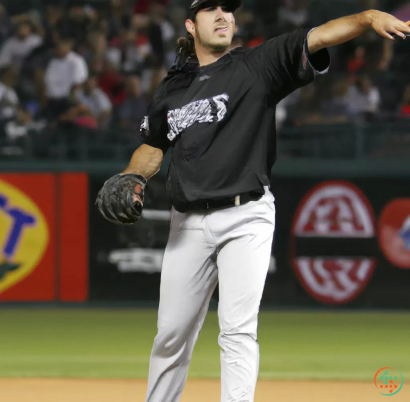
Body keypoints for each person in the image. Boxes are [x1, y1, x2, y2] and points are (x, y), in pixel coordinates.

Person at [96, 1, 410, 401]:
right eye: (212, 10)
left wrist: (367, 19)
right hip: (187, 223)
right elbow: (152, 148)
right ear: (192, 25)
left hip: (246, 216)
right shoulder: (172, 88)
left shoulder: (257, 65)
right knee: (171, 334)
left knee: (237, 328)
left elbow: (320, 35)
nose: (224, 15)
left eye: (229, 9)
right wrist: (132, 175)